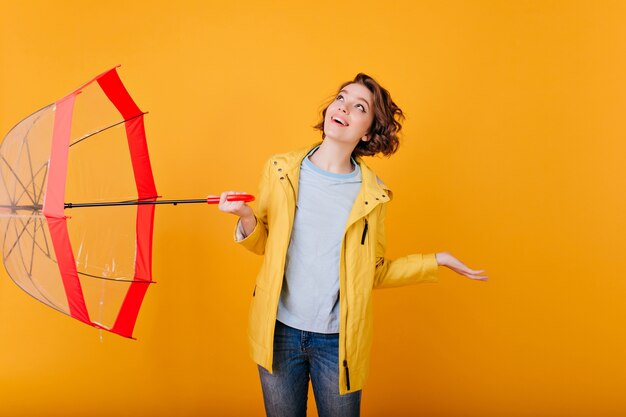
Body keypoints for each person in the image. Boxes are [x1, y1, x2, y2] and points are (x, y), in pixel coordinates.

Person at [218, 73, 487, 417]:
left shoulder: (373, 194)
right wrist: (245, 216)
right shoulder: (281, 169)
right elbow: (264, 244)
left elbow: (372, 270)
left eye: (359, 107)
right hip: (279, 332)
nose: (343, 107)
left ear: (368, 132)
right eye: (341, 98)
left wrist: (437, 260)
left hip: (338, 342)